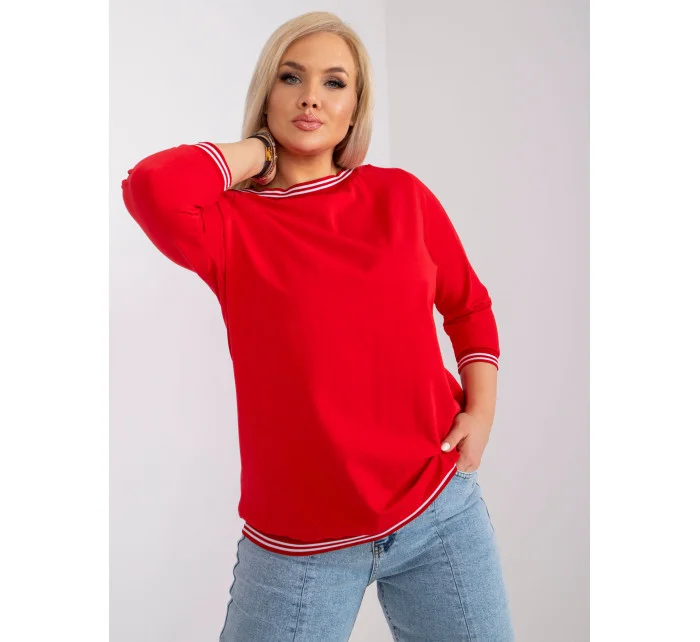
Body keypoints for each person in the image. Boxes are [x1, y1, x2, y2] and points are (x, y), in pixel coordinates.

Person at [121, 10, 515, 642]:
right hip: (299, 546)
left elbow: (468, 306)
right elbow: (150, 186)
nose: (311, 96)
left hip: (438, 511)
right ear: (266, 94)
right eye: (291, 77)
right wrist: (261, 149)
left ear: (356, 108)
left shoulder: (401, 197)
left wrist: (482, 412)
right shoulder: (231, 225)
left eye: (335, 82)